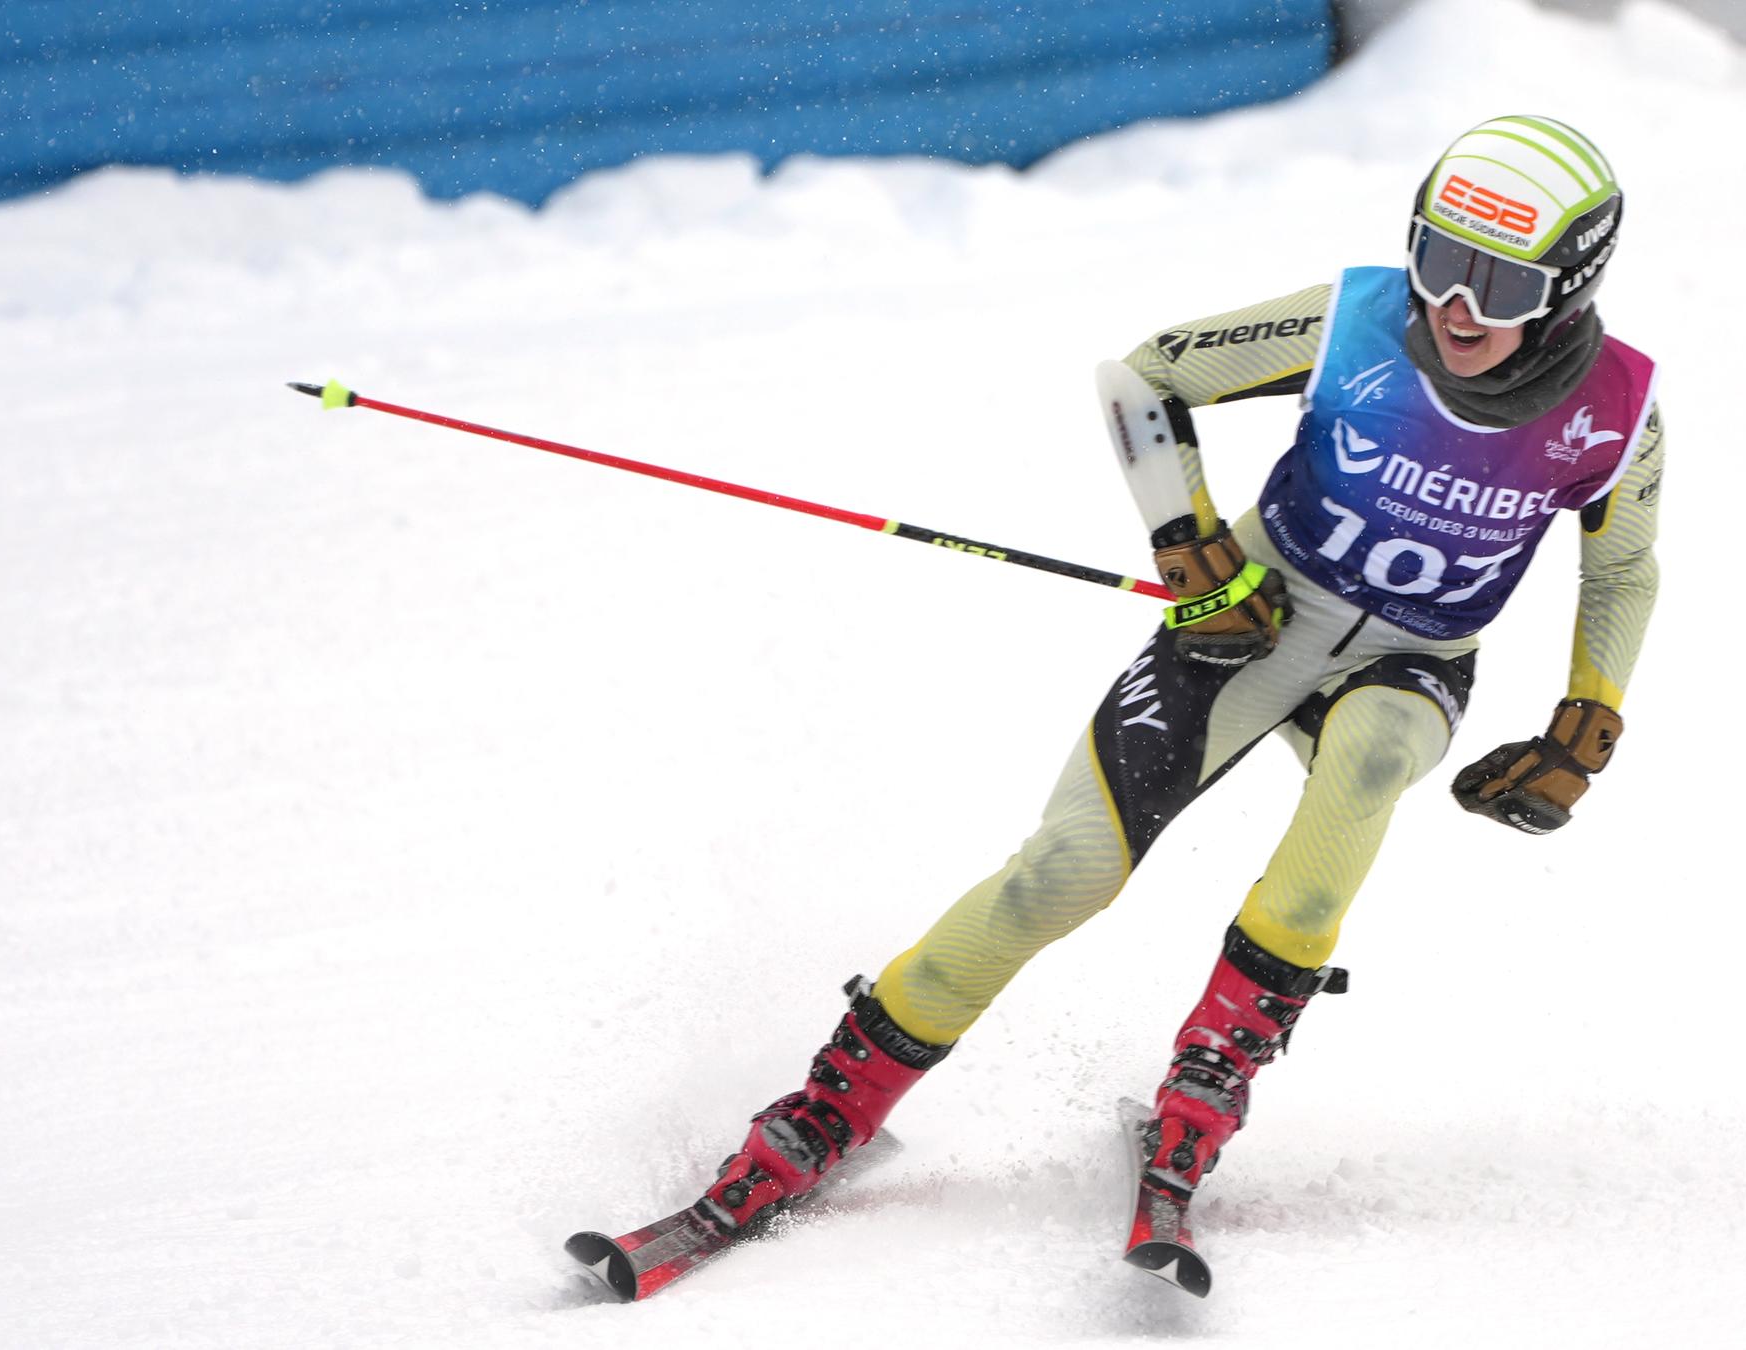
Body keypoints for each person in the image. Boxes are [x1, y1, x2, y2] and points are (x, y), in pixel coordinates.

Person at [691, 114, 1664, 1238]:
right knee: (1062, 874)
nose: (1456, 308)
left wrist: (1588, 717)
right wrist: (1190, 548)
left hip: (1413, 659)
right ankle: (832, 1106)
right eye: (1439, 262)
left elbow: (1623, 569)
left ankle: (1208, 1086)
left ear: (1571, 286)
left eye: (1501, 286)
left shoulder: (1619, 411)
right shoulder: (1351, 321)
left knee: (1370, 758)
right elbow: (1142, 377)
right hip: (1250, 623)